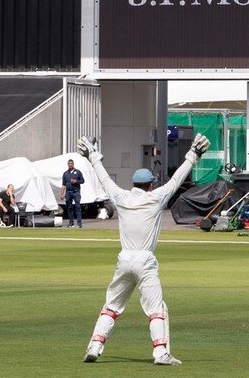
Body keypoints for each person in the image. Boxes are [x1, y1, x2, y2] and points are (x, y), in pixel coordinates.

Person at [76, 133, 210, 366]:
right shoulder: (156, 198)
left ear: (134, 184)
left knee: (112, 306)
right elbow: (177, 180)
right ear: (150, 185)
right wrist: (193, 155)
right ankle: (160, 353)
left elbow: (104, 178)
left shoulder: (121, 197)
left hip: (124, 258)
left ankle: (95, 346)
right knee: (156, 309)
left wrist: (92, 156)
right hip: (145, 260)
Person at [63, 157, 86, 228]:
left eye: (71, 163)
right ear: (67, 164)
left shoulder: (78, 172)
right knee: (69, 208)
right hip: (68, 192)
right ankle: (71, 223)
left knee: (77, 207)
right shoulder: (65, 173)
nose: (70, 165)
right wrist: (62, 194)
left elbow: (82, 181)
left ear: (73, 164)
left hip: (76, 192)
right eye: (69, 163)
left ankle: (79, 224)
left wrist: (76, 181)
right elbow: (63, 184)